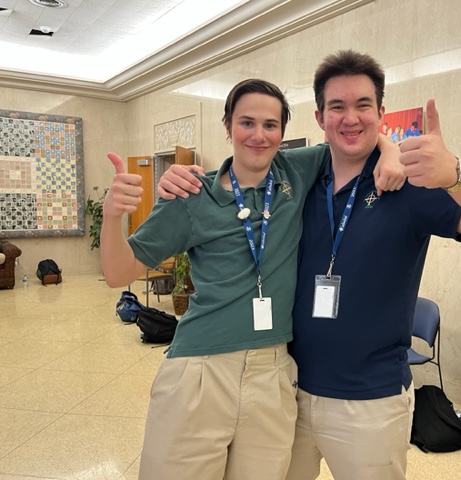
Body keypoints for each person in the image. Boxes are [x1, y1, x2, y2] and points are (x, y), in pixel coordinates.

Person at [158, 50, 461, 480]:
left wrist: (456, 173)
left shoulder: (407, 181)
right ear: (320, 117)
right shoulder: (297, 181)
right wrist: (179, 180)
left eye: (363, 105)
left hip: (369, 402)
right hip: (288, 392)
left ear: (380, 112)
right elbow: (243, 166)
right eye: (338, 107)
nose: (351, 118)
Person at [101, 78, 402, 480]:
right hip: (200, 369)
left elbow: (350, 137)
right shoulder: (192, 194)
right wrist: (111, 216)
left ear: (283, 132)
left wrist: (391, 150)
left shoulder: (296, 170)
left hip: (273, 371)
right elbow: (118, 273)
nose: (259, 135)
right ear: (227, 126)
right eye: (247, 123)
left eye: (270, 125)